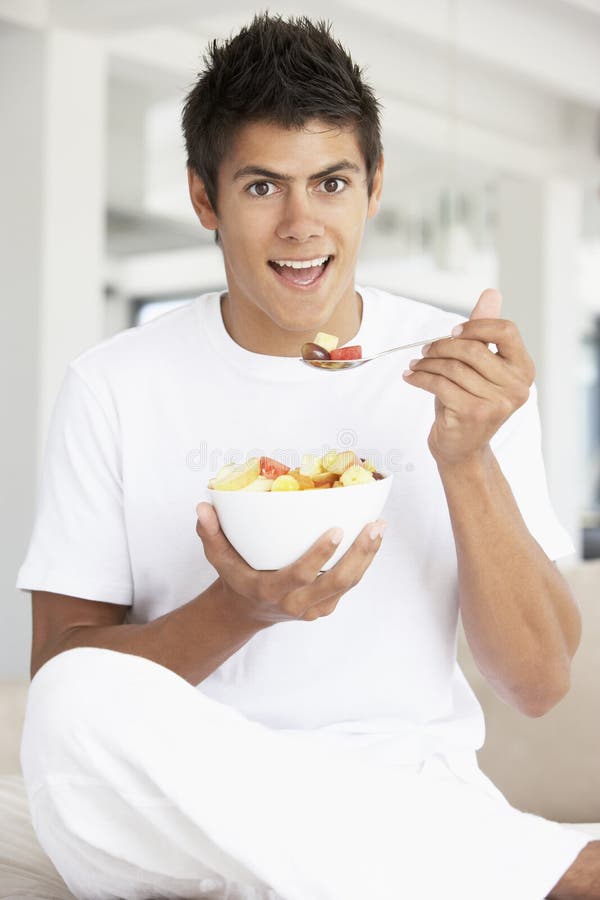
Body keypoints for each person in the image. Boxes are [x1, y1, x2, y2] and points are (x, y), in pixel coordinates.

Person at [16, 13, 599, 900]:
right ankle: (531, 872)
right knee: (67, 703)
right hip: (182, 804)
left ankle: (367, 871)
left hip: (402, 784)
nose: (301, 224)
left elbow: (541, 684)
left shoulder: (457, 372)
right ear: (205, 198)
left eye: (329, 182)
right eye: (261, 187)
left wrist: (466, 459)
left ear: (371, 188)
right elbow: (63, 667)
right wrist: (241, 609)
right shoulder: (114, 385)